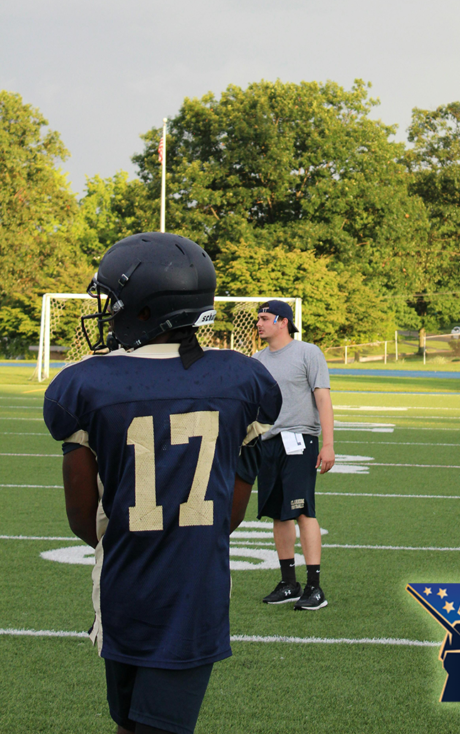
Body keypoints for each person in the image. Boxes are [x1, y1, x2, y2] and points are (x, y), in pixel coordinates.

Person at [43, 233, 282, 734]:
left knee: (131, 725)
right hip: (195, 589)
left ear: (145, 312)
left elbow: (82, 521)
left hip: (124, 588)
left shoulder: (86, 383)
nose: (108, 314)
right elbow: (229, 516)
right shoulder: (243, 379)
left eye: (116, 303)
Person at [254, 299, 334, 610]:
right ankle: (289, 582)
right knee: (278, 513)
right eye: (258, 318)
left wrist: (328, 443)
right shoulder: (257, 360)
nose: (259, 323)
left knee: (303, 511)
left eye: (265, 318)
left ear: (283, 321)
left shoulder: (308, 353)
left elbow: (323, 400)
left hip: (300, 439)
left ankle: (315, 587)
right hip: (269, 442)